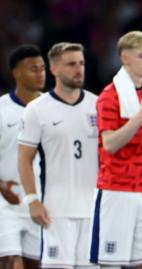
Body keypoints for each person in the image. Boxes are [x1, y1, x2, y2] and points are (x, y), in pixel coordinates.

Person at [18, 42, 98, 268]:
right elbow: (24, 158)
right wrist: (32, 200)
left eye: (81, 63)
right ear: (54, 69)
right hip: (56, 210)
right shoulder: (37, 109)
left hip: (92, 208)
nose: (79, 69)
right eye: (71, 64)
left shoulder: (97, 104)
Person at [90, 31, 142, 268]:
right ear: (124, 58)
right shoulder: (109, 97)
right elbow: (110, 143)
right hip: (116, 191)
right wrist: (141, 115)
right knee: (111, 264)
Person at [0, 44, 44, 269]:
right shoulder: (2, 110)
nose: (40, 73)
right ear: (16, 72)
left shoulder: (52, 107)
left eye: (42, 68)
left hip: (42, 201)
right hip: (6, 201)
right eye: (33, 69)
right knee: (11, 261)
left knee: (34, 263)